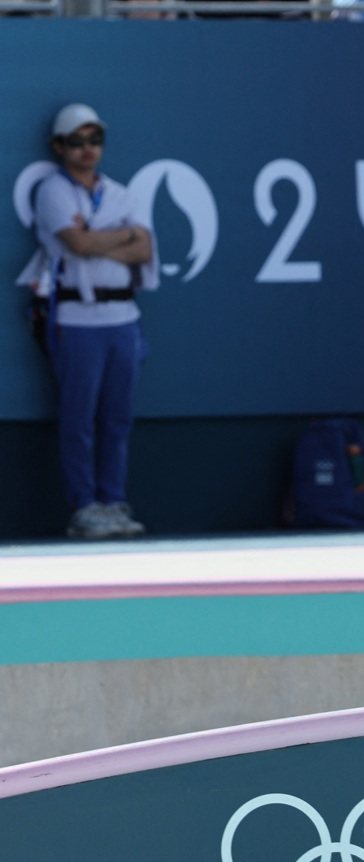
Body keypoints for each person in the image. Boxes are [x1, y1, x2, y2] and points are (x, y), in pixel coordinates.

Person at [32, 103, 157, 538]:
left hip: (123, 316)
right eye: (78, 142)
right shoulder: (53, 190)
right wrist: (123, 233)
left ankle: (113, 500)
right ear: (59, 146)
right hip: (77, 317)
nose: (88, 150)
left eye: (95, 141)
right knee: (79, 417)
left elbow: (145, 250)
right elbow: (77, 245)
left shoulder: (121, 193)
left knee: (117, 417)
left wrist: (105, 237)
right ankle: (84, 505)